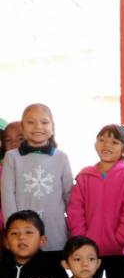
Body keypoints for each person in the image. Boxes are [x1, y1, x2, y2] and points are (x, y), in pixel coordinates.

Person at [66, 124, 124, 278]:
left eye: (114, 142)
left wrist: (119, 240)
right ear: (95, 144)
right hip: (87, 251)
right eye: (102, 139)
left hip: (117, 250)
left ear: (123, 150)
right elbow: (75, 209)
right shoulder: (85, 175)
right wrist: (82, 240)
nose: (107, 145)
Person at [1, 104, 73, 256]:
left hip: (56, 234)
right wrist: (14, 232)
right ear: (22, 126)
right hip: (23, 238)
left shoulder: (61, 157)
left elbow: (70, 197)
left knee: (54, 276)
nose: (38, 127)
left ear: (52, 127)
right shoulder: (12, 157)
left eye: (44, 122)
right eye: (31, 122)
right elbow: (7, 196)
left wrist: (74, 230)